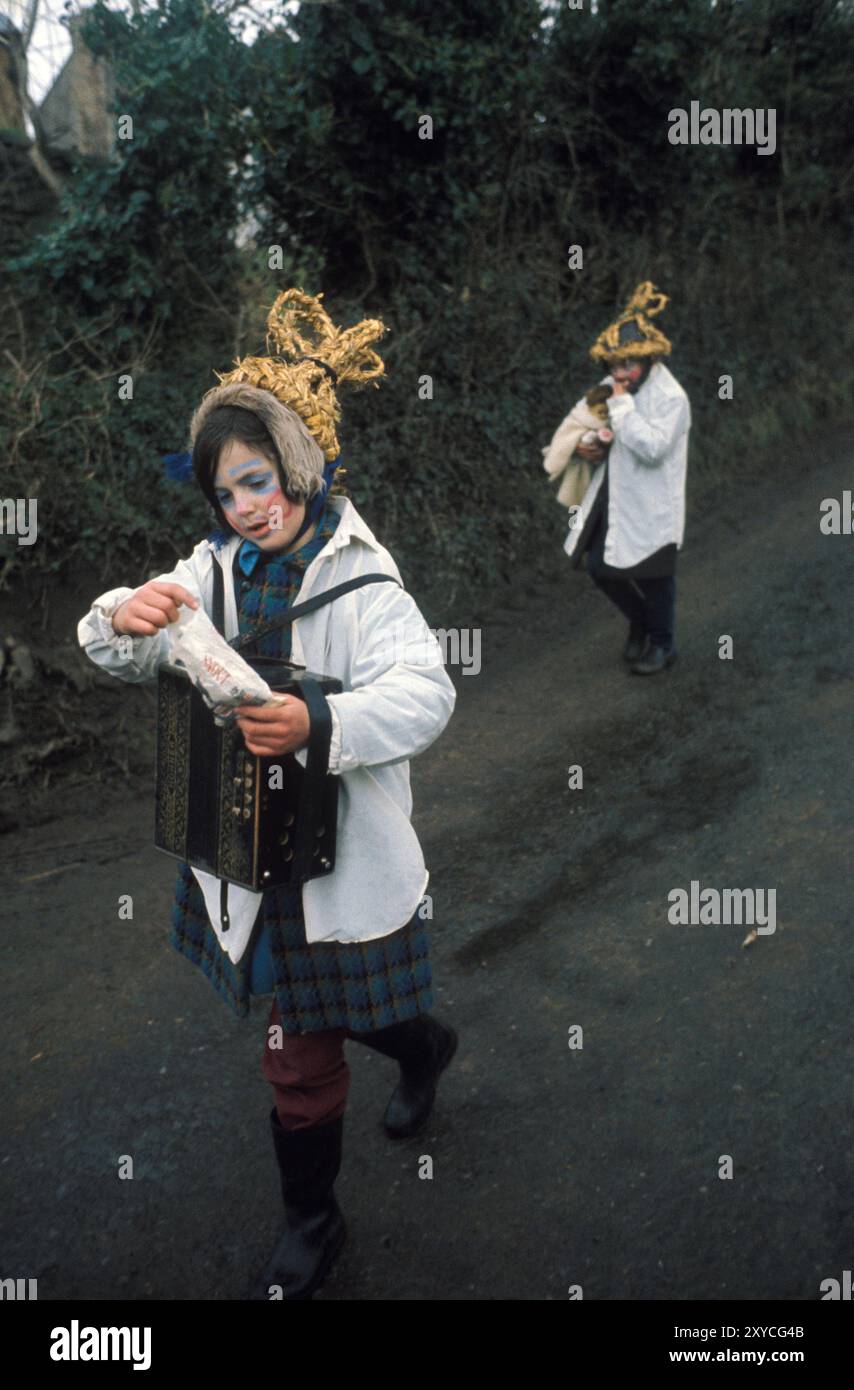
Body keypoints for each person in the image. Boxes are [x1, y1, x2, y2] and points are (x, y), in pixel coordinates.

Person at [77, 289, 458, 1301]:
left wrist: (320, 723)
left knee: (330, 1016)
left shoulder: (368, 584)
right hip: (247, 846)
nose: (249, 504)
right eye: (227, 491)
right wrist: (126, 612)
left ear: (303, 469)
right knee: (300, 1030)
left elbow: (427, 693)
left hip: (342, 853)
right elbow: (115, 644)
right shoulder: (212, 569)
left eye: (262, 479)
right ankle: (318, 1210)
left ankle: (409, 1059)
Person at [562, 282, 691, 674]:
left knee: (654, 575)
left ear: (649, 358)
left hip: (653, 501)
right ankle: (641, 622)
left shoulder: (672, 398)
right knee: (599, 566)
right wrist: (586, 443)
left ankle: (663, 645)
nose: (620, 374)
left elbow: (652, 448)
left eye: (628, 366)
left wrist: (620, 406)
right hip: (614, 493)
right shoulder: (613, 386)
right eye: (614, 366)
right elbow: (583, 419)